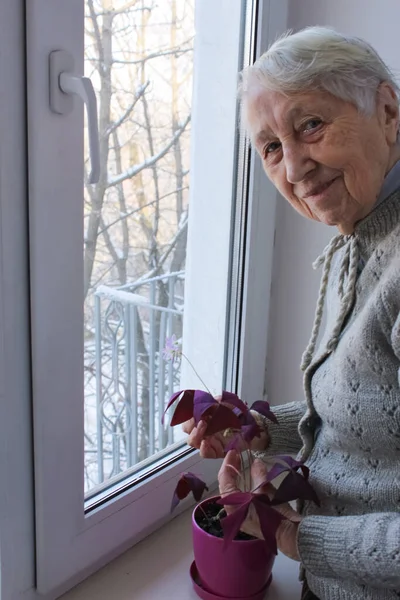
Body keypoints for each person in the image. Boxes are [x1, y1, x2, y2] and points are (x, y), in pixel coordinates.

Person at [183, 27, 400, 600]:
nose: (296, 167)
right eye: (271, 148)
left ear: (387, 111)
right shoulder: (362, 232)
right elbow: (375, 409)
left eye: (311, 125)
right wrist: (257, 429)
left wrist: (290, 537)